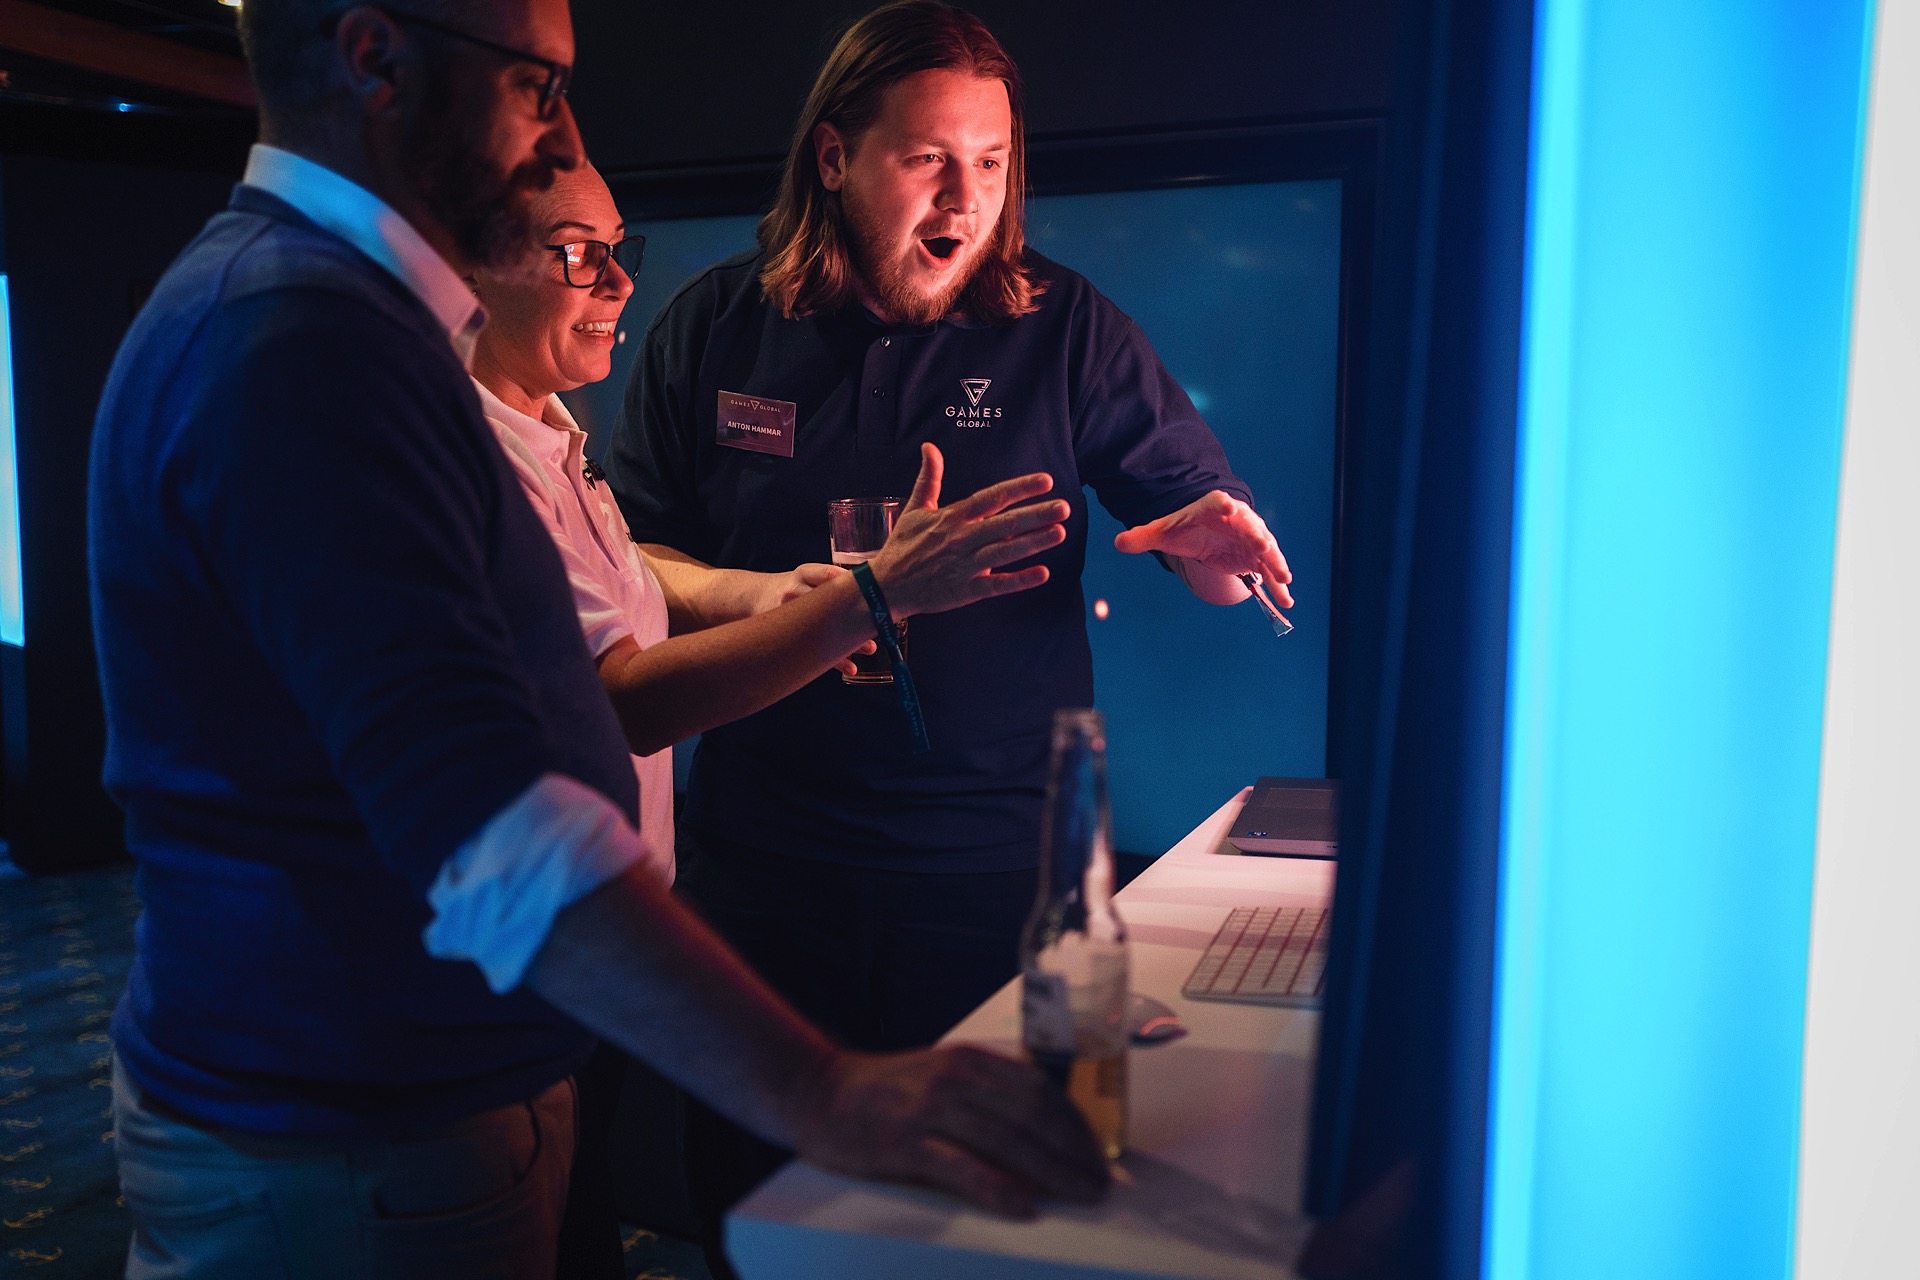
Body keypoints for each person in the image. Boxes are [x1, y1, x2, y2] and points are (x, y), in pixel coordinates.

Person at [87, 2, 1105, 1277]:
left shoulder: (328, 317)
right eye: (537, 85)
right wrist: (825, 1092)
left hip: (393, 1101)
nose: (561, 129)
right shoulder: (306, 339)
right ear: (373, 58)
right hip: (356, 1121)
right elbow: (491, 818)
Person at [604, 0, 1295, 1233]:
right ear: (834, 157)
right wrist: (755, 593)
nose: (963, 202)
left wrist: (1214, 538)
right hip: (767, 863)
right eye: (927, 160)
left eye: (989, 164)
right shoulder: (714, 326)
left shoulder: (1062, 327)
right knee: (759, 1220)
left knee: (987, 1217)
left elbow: (1195, 519)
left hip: (994, 874)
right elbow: (635, 550)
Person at [465, 160, 1074, 1276]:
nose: (614, 286)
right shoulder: (470, 457)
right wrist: (868, 600)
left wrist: (767, 593)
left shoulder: (551, 426)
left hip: (594, 962)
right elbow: (623, 701)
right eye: (576, 255)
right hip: (524, 970)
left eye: (619, 251)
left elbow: (633, 584)